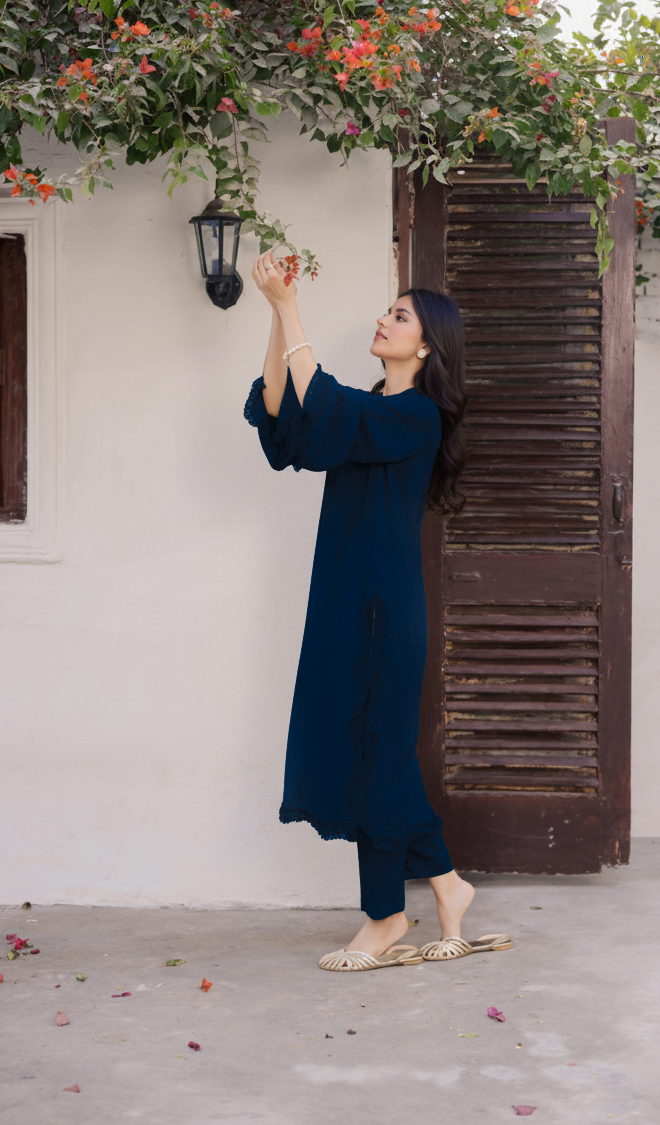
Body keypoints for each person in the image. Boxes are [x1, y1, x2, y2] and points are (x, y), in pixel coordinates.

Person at [244, 251, 511, 971]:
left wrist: (292, 306)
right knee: (372, 754)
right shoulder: (369, 411)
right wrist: (277, 310)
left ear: (426, 345)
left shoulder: (414, 417)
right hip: (344, 597)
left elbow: (327, 404)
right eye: (387, 310)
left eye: (399, 316)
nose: (382, 320)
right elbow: (284, 412)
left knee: (378, 762)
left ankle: (387, 916)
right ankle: (450, 888)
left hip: (384, 612)